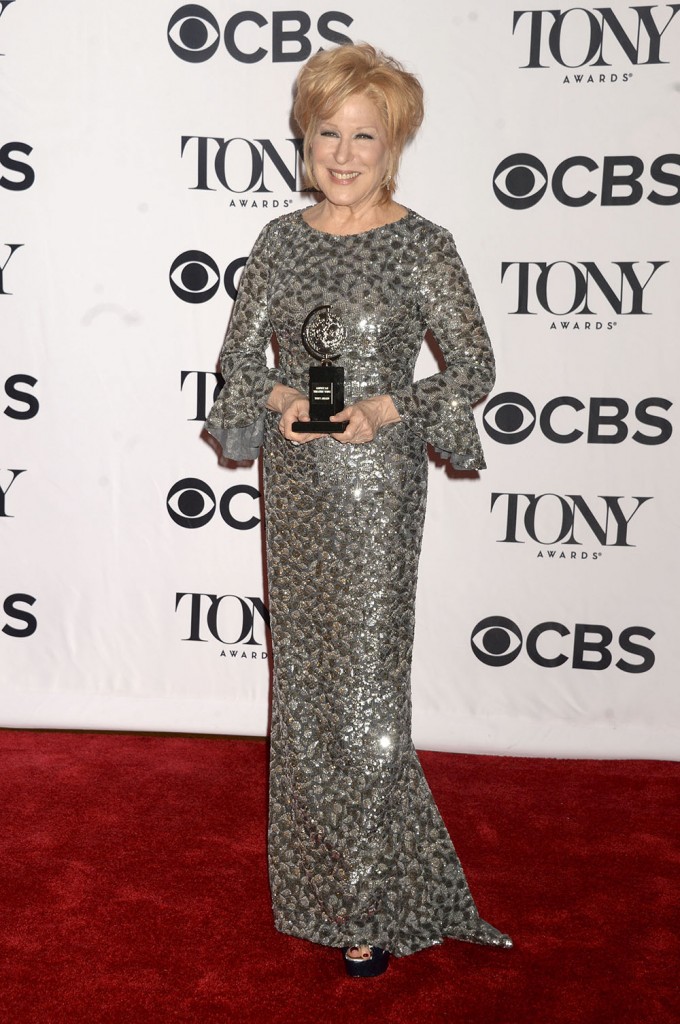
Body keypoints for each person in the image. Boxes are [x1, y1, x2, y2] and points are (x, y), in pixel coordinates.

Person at [205, 42, 512, 978]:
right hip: (296, 485)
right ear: (304, 136)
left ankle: (371, 897)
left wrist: (386, 408)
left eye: (364, 136)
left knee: (369, 694)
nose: (343, 153)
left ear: (394, 146)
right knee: (302, 690)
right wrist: (282, 403)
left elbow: (474, 370)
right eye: (327, 132)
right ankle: (313, 886)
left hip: (378, 489)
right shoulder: (278, 241)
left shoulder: (423, 244)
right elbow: (236, 367)